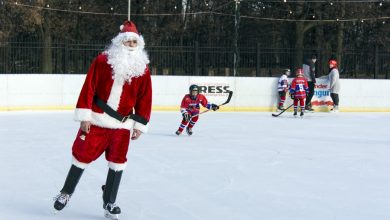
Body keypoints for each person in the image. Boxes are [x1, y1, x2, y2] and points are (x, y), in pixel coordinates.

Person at [53, 20, 152, 220]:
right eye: (127, 42)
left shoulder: (143, 70)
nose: (131, 46)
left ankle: (109, 202)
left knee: (118, 163)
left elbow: (145, 98)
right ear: (119, 43)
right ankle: (65, 193)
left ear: (139, 45)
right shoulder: (102, 61)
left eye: (134, 42)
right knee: (81, 156)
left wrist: (140, 124)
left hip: (122, 126)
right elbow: (88, 87)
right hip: (96, 121)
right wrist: (85, 116)